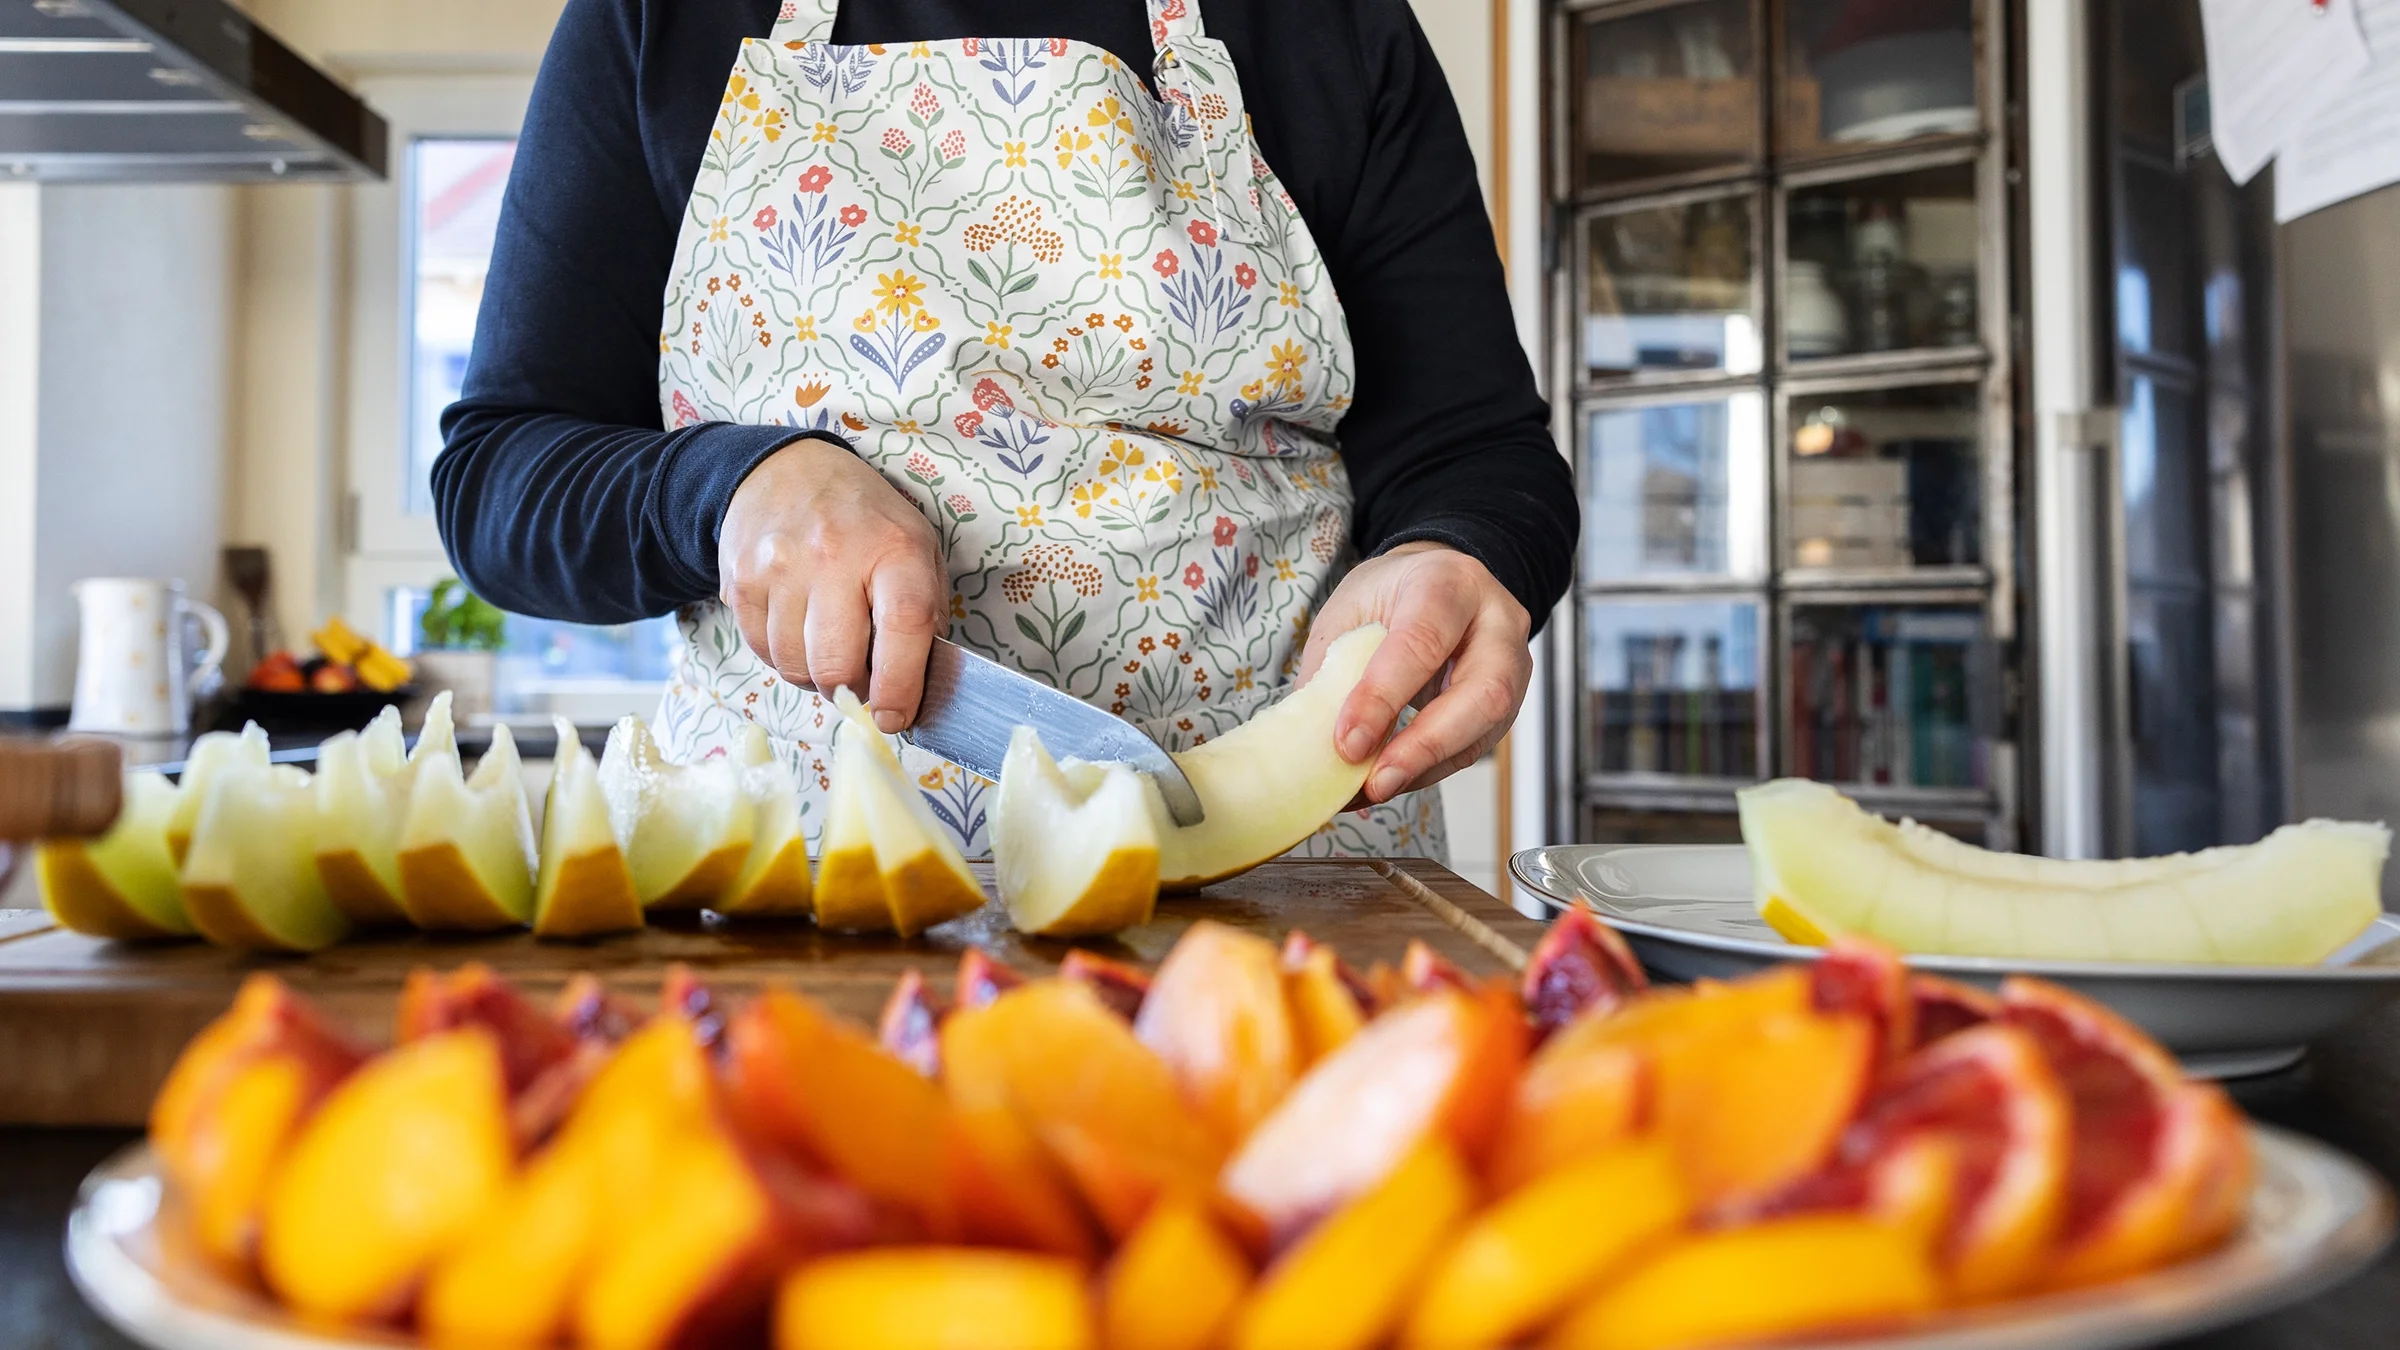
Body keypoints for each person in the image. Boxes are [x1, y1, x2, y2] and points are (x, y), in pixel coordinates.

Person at [433, 0, 1576, 861]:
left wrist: (1462, 551)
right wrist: (733, 487)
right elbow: (501, 473)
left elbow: (1476, 451)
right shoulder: (663, 16)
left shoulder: (1322, 20)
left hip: (1285, 887)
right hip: (790, 892)